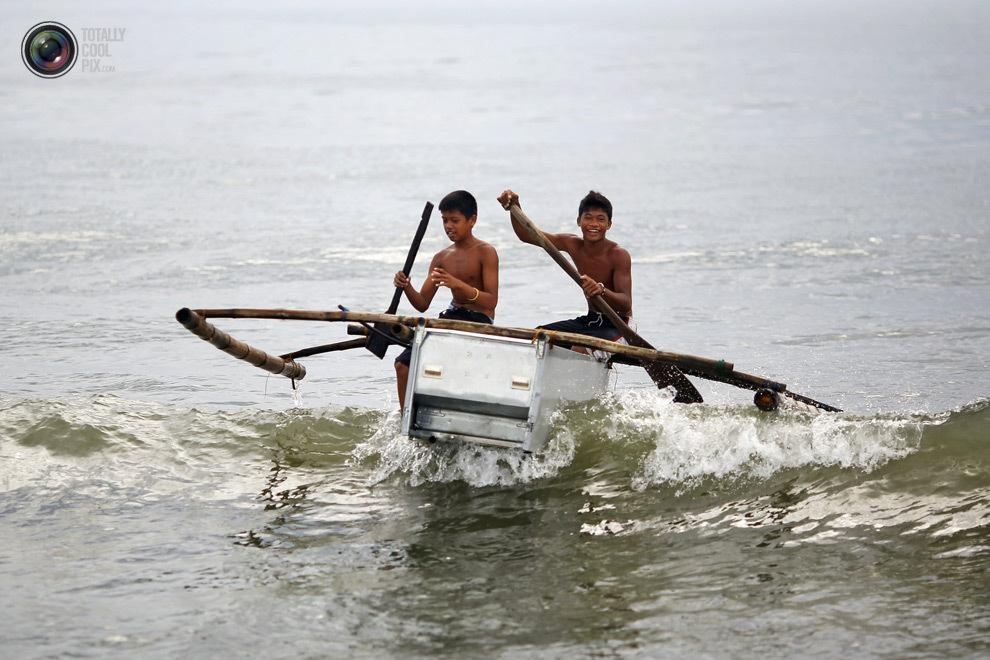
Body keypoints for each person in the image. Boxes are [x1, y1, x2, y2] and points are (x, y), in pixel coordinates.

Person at [392, 190, 499, 409]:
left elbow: (491, 302)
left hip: (478, 321)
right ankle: (405, 419)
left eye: (455, 220)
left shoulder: (486, 252)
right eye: (444, 221)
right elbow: (422, 303)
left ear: (472, 220)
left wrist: (457, 284)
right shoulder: (442, 258)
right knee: (402, 365)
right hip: (450, 318)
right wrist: (406, 286)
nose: (449, 226)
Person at [497, 188, 631, 341]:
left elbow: (625, 304)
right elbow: (527, 235)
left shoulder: (619, 255)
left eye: (600, 219)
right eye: (588, 218)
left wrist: (601, 290)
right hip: (592, 320)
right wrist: (514, 207)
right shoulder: (572, 244)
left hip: (619, 325)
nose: (594, 224)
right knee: (538, 336)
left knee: (581, 347)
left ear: (609, 224)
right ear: (579, 221)